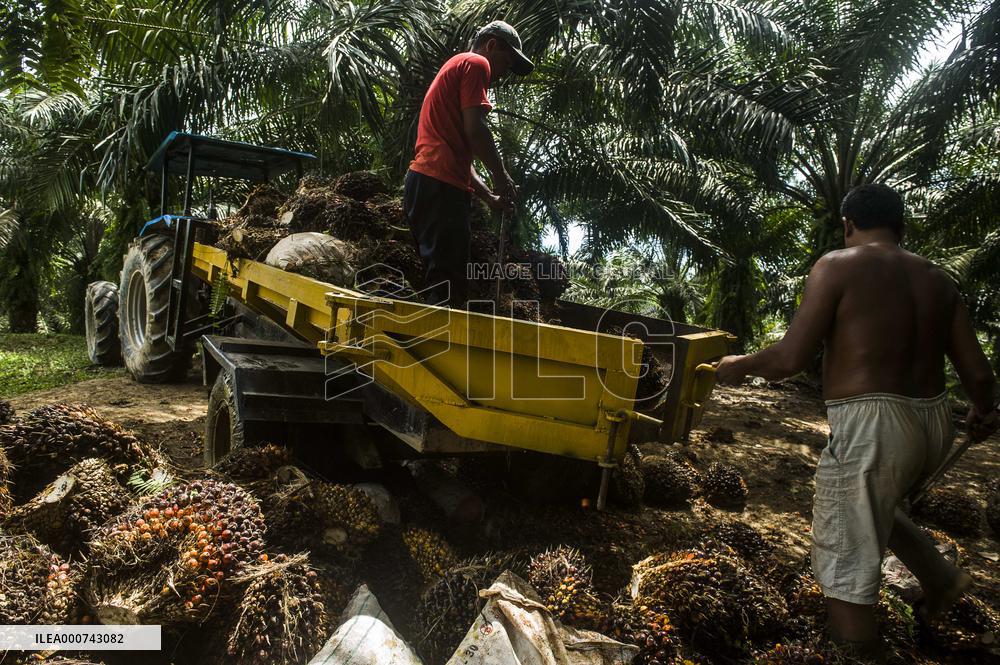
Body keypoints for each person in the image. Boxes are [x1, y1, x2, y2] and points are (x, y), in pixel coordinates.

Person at [714, 183, 999, 659]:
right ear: (901, 226)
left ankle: (859, 652)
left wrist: (736, 366)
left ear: (847, 224)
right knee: (874, 502)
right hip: (932, 424)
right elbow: (979, 374)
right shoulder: (938, 279)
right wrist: (985, 412)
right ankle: (940, 578)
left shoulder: (837, 265)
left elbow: (791, 358)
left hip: (875, 421)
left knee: (845, 549)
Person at [404, 20, 534, 308]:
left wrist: (488, 196)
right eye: (507, 60)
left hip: (426, 184)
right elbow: (476, 129)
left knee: (442, 281)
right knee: (448, 291)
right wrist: (501, 176)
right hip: (440, 188)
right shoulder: (476, 63)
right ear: (492, 45)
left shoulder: (456, 66)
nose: (503, 71)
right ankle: (438, 350)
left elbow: (461, 154)